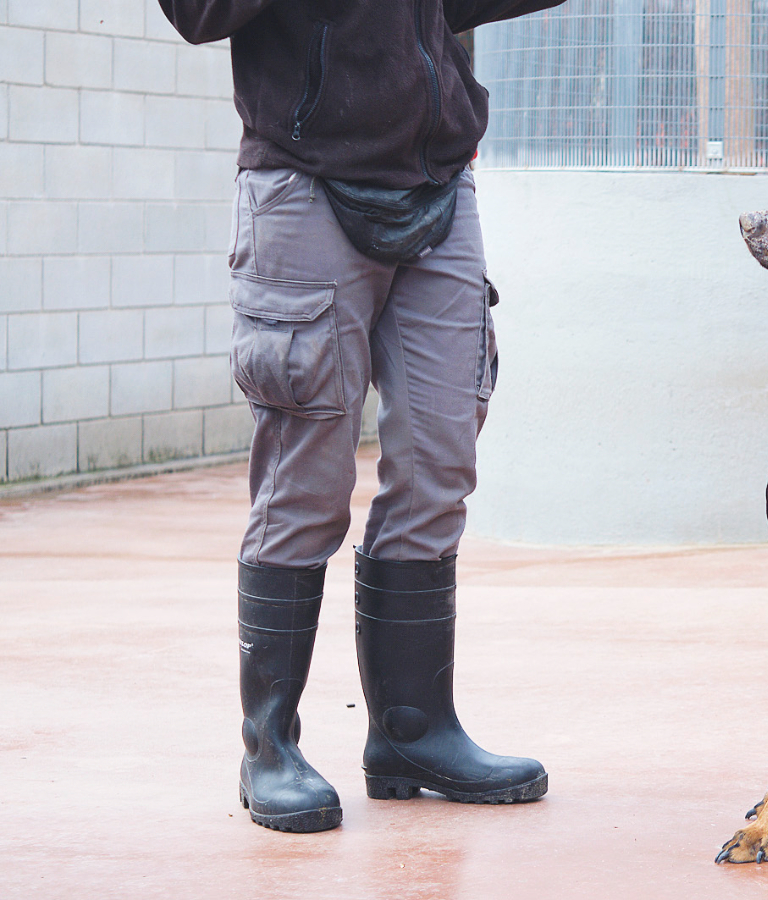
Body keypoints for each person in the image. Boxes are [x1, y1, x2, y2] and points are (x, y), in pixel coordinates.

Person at [160, 0, 567, 833]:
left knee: (440, 463)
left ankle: (413, 734)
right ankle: (270, 748)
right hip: (305, 178)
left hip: (438, 179)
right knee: (306, 476)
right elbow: (198, 15)